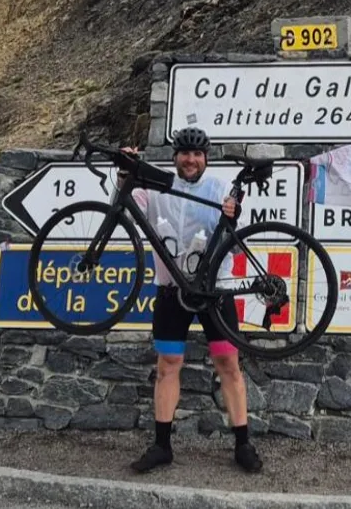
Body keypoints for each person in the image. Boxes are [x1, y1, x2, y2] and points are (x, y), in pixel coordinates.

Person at [116, 126, 263, 475]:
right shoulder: (156, 189)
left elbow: (233, 215)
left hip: (215, 290)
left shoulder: (217, 188)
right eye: (184, 153)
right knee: (167, 365)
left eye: (197, 154)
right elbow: (122, 205)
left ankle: (243, 445)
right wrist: (125, 171)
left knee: (228, 365)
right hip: (171, 290)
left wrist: (234, 210)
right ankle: (161, 446)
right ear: (175, 157)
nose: (191, 159)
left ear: (205, 159)